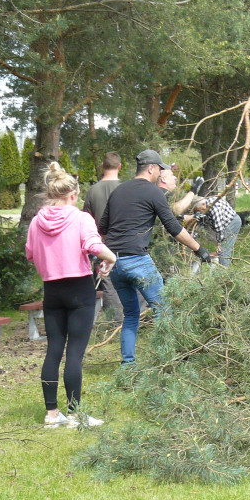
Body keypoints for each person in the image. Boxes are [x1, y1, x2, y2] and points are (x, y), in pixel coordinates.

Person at [26, 162, 117, 428]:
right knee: (74, 354)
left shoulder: (36, 221)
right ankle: (76, 414)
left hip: (52, 290)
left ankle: (52, 414)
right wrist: (111, 257)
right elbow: (92, 245)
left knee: (53, 350)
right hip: (79, 289)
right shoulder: (81, 218)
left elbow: (30, 253)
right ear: (73, 195)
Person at [99, 149, 211, 365]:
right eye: (160, 169)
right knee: (164, 309)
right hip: (137, 261)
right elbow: (174, 228)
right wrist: (199, 249)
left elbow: (102, 228)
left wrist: (107, 255)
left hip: (116, 264)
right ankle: (167, 361)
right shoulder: (153, 192)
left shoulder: (118, 191)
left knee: (131, 315)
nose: (161, 173)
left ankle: (128, 366)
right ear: (151, 168)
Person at [82, 151, 123, 321]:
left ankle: (115, 322)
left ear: (102, 166)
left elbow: (86, 219)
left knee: (108, 285)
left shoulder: (92, 191)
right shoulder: (126, 188)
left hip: (102, 244)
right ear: (119, 166)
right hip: (126, 241)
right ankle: (134, 319)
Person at [185, 195, 243, 266]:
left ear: (203, 204)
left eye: (199, 209)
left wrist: (219, 243)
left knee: (223, 249)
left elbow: (219, 227)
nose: (199, 211)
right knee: (222, 248)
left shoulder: (214, 207)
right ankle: (220, 265)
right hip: (224, 224)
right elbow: (201, 222)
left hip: (231, 223)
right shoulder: (205, 205)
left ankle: (223, 271)